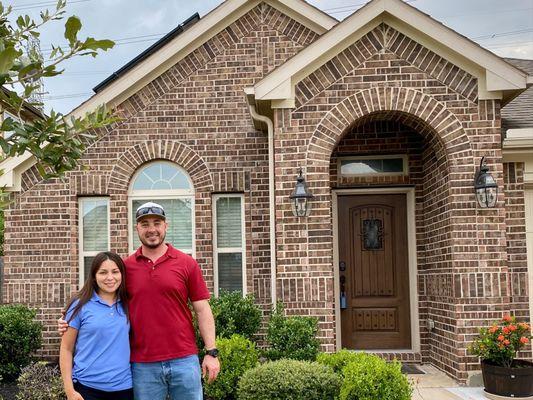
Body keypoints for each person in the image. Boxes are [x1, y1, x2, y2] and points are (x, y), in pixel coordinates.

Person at [60, 202, 220, 400]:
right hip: (143, 365)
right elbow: (102, 298)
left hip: (184, 359)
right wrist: (69, 320)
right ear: (137, 228)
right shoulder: (125, 269)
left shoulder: (187, 263)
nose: (151, 229)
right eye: (145, 224)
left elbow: (203, 309)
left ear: (166, 226)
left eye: (157, 223)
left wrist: (211, 352)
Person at [59, 251, 133, 400]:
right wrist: (69, 391)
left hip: (124, 388)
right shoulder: (79, 305)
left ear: (122, 275)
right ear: (94, 276)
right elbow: (66, 349)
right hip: (87, 388)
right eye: (103, 272)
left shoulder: (129, 304)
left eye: (115, 272)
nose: (110, 278)